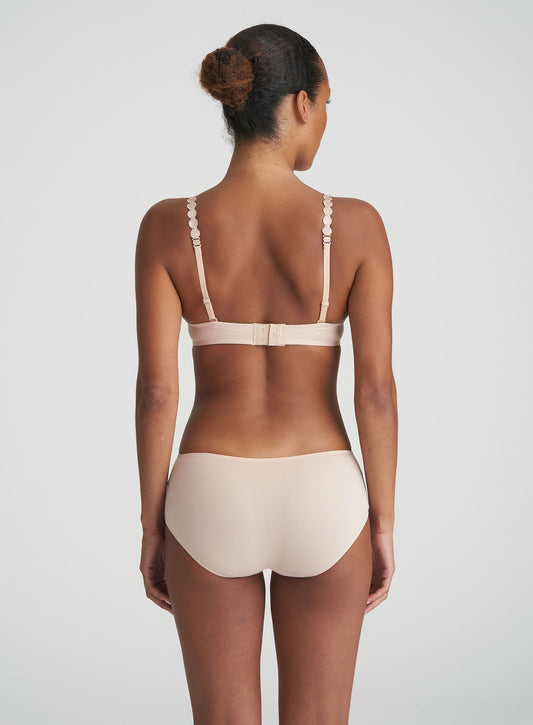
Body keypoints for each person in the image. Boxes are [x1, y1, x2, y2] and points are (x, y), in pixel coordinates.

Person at [135, 22, 397, 725]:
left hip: (209, 489)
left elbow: (157, 392)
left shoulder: (167, 225)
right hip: (323, 491)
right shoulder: (358, 225)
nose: (325, 122)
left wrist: (152, 525)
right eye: (327, 104)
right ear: (302, 103)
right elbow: (374, 392)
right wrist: (381, 521)